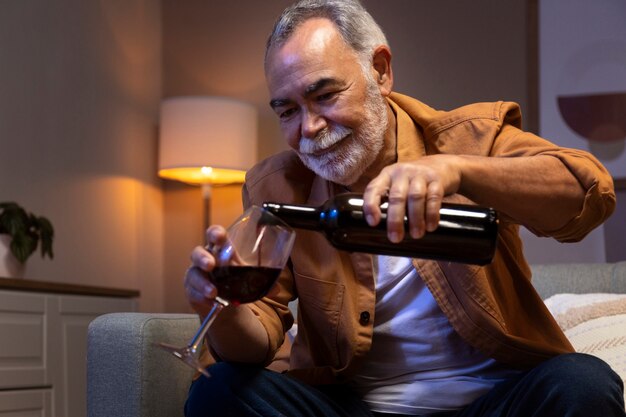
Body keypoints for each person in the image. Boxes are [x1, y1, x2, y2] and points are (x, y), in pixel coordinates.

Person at [183, 1, 623, 416]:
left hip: (495, 403)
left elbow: (588, 193)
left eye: (325, 96)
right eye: (288, 112)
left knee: (583, 382)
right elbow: (258, 340)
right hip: (355, 408)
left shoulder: (469, 140)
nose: (309, 128)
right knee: (218, 388)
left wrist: (458, 172)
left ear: (380, 70)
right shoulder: (276, 186)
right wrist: (220, 308)